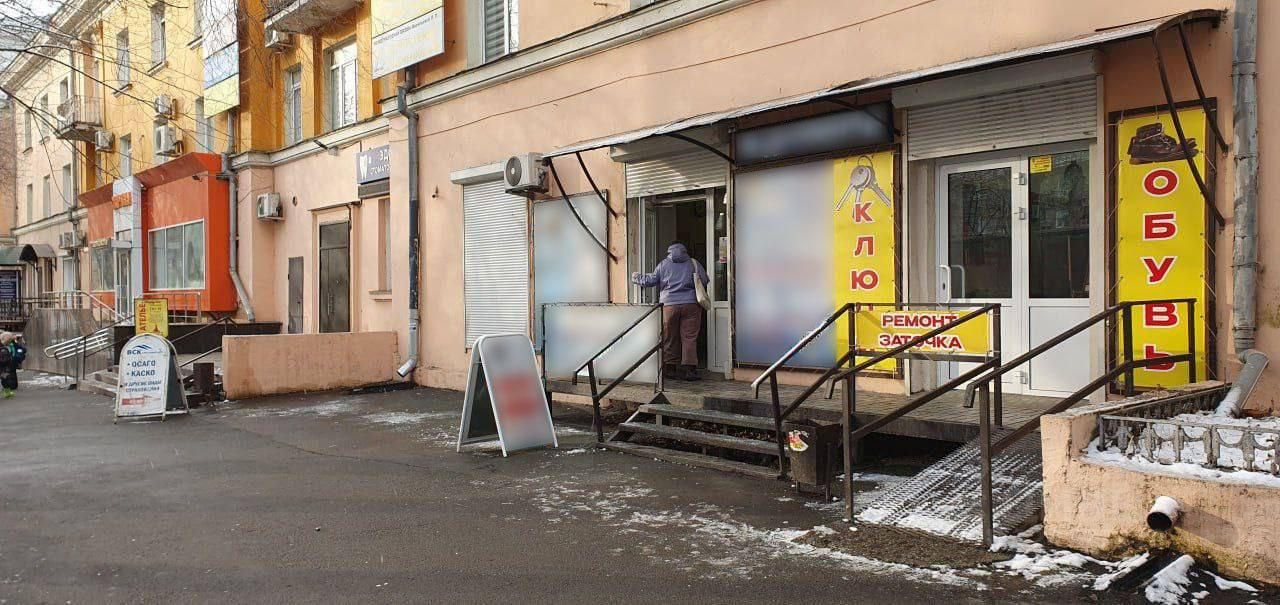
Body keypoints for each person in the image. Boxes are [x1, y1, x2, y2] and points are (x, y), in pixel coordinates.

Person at [632, 243, 709, 381]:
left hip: (669, 305)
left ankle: (670, 369)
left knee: (669, 336)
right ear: (685, 250)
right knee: (689, 337)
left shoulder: (663, 264)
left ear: (669, 251)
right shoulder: (693, 263)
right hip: (691, 304)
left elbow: (651, 280)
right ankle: (690, 371)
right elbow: (704, 280)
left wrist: (636, 277)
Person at [0, 332, 18, 398]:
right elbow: (4, 360)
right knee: (5, 379)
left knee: (5, 380)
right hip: (3, 368)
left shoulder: (3, 347)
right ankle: (7, 393)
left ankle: (7, 393)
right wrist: (9, 359)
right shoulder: (3, 349)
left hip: (3, 367)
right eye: (10, 341)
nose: (10, 342)